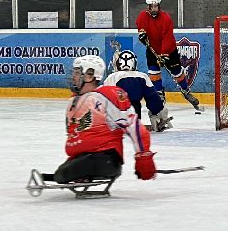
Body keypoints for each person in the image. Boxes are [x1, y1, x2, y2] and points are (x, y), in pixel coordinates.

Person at [50, 55, 157, 184]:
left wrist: (143, 157)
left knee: (63, 174)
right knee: (62, 173)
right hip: (86, 158)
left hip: (106, 159)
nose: (74, 77)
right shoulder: (74, 101)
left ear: (90, 75)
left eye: (77, 73)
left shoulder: (105, 96)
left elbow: (133, 125)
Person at [136, 0, 202, 111]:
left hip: (169, 51)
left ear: (159, 6)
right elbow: (141, 26)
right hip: (152, 50)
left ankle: (185, 90)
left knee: (177, 73)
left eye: (156, 6)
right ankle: (159, 95)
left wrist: (165, 54)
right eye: (152, 6)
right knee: (154, 73)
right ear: (148, 7)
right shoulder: (143, 16)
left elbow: (167, 37)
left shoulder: (166, 18)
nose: (154, 8)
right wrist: (141, 34)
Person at [104, 49, 171, 132]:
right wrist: (159, 115)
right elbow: (153, 98)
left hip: (115, 118)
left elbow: (103, 98)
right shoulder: (142, 76)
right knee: (136, 104)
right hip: (135, 116)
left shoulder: (112, 77)